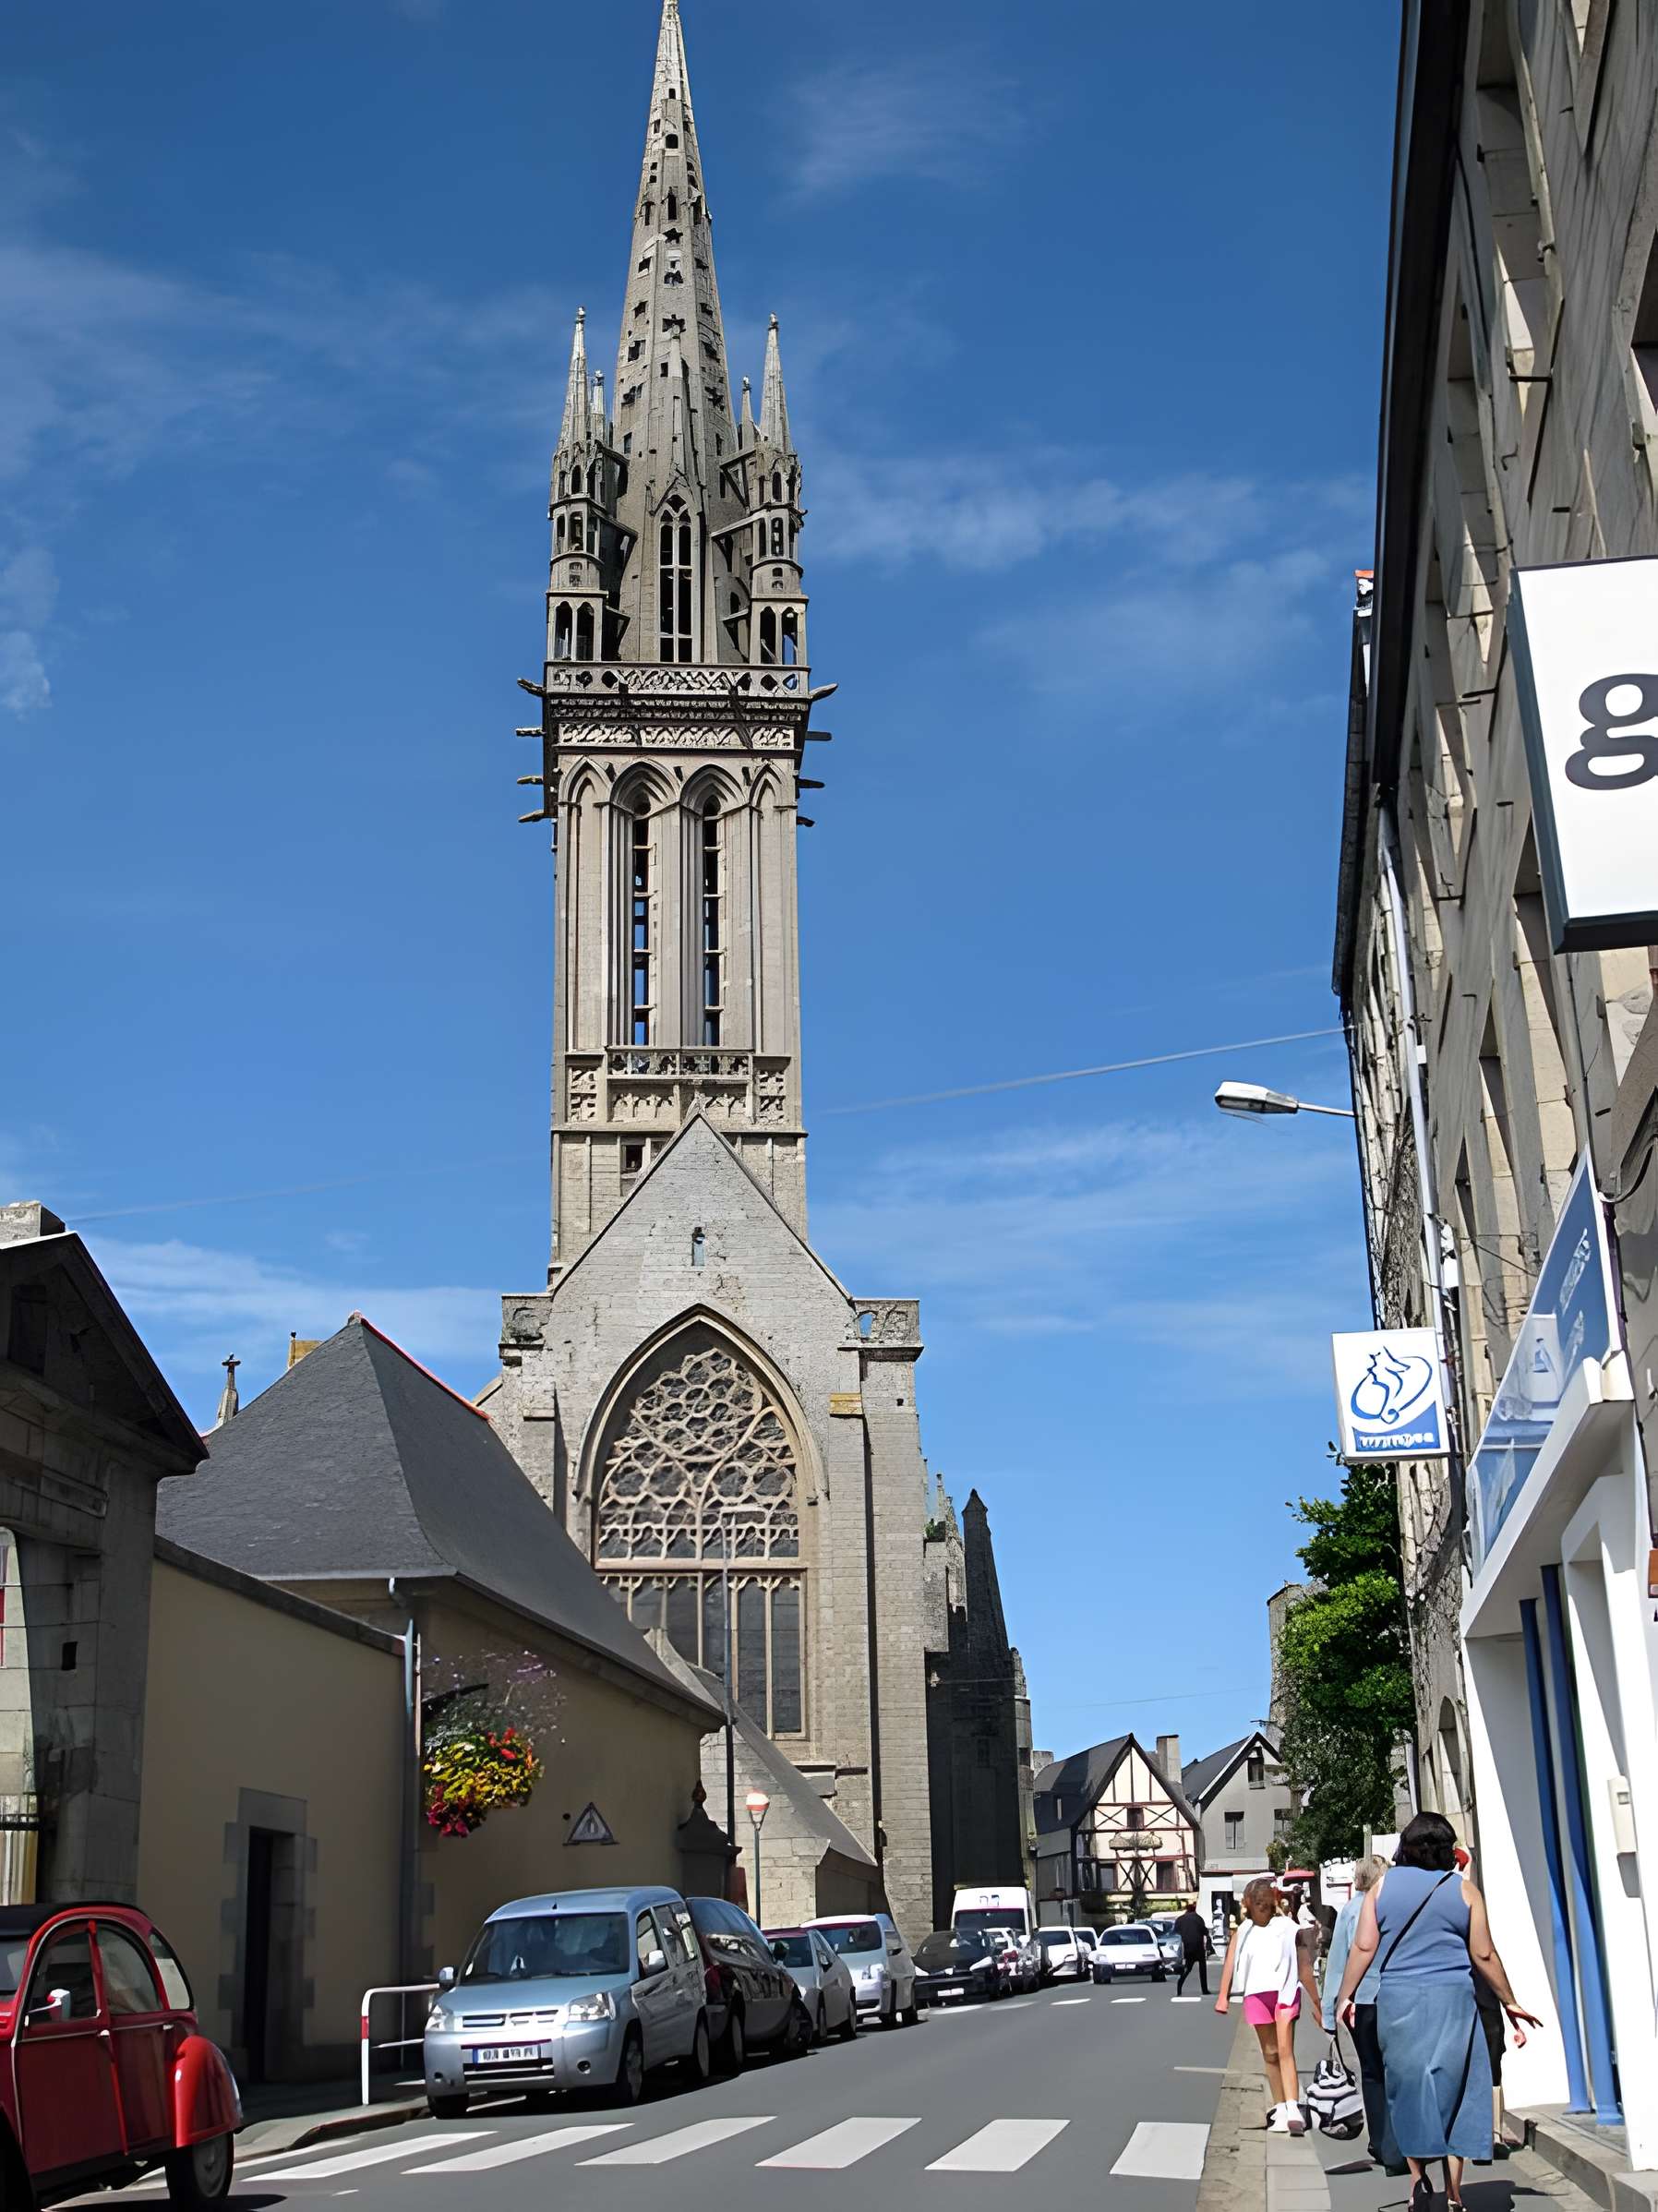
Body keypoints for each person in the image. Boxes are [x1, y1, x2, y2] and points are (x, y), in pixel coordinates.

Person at [1337, 1813, 1541, 2212]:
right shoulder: (1464, 1891)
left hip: (1398, 2001)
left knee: (1410, 2091)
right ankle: (1454, 2192)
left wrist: (1344, 1997)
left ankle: (1417, 2181)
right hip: (1453, 2002)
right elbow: (1483, 1954)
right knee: (1456, 2091)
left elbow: (1363, 1948)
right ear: (1449, 1851)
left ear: (1405, 1848)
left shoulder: (1382, 1887)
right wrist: (1509, 2000)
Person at [1215, 1877, 1321, 2134]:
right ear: (1250, 1905)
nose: (1260, 1907)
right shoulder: (1244, 1931)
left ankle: (1292, 2107)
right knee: (1272, 2053)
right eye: (1257, 1903)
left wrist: (1317, 2003)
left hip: (1284, 1993)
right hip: (1257, 1995)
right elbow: (1230, 1961)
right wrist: (1223, 1995)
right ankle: (1282, 2107)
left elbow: (1303, 1964)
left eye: (1264, 1902)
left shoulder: (1287, 1926)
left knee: (1281, 2051)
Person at [1322, 1856, 1402, 2173]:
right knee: (1396, 2071)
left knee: (1371, 2073)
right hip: (1395, 1999)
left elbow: (1338, 1964)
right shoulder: (1391, 1906)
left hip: (1361, 2003)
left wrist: (1331, 2013)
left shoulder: (1350, 1912)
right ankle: (1401, 2144)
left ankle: (1381, 2143)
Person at [1174, 1900, 1211, 1995]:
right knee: (1202, 1969)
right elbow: (1205, 1931)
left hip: (1187, 1947)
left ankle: (1180, 1984)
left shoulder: (1180, 1919)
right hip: (1198, 1947)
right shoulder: (1198, 1918)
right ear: (1194, 1910)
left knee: (1188, 1968)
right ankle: (1204, 1989)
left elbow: (1176, 1933)